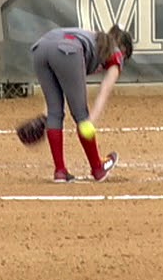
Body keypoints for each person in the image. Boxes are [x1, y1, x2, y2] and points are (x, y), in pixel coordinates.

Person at [30, 25, 131, 183]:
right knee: (80, 114)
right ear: (123, 50)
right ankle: (98, 168)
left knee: (55, 113)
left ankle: (60, 172)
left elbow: (55, 95)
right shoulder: (116, 52)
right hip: (68, 50)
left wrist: (46, 117)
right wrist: (90, 121)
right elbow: (104, 91)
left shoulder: (93, 35)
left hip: (40, 48)